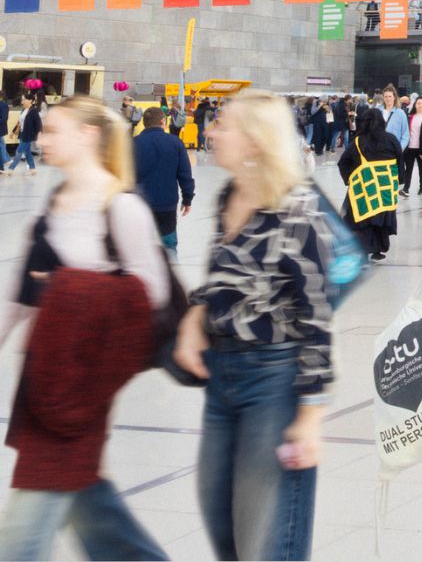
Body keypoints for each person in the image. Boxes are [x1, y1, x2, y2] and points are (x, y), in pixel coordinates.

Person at [0, 97, 170, 562]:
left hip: (81, 385)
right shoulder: (54, 203)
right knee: (88, 501)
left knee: (24, 533)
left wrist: (67, 287)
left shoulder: (120, 207)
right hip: (42, 378)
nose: (41, 139)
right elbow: (19, 291)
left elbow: (151, 293)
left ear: (88, 136)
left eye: (53, 131)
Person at [170, 92, 333, 562]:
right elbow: (223, 278)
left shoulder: (298, 209)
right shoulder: (229, 195)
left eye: (224, 125)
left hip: (275, 378)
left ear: (257, 142)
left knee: (266, 535)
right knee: (220, 515)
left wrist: (310, 417)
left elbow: (317, 318)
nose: (212, 132)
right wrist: (194, 318)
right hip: (223, 375)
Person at [339, 106, 400, 260]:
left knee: (363, 217)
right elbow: (400, 161)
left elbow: (343, 162)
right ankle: (379, 249)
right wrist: (399, 180)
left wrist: (349, 179)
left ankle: (364, 248)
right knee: (382, 217)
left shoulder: (359, 141)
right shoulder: (391, 139)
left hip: (365, 188)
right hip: (386, 188)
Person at [133, 106, 194, 251]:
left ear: (144, 122)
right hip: (166, 204)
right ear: (163, 121)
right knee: (169, 245)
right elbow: (185, 174)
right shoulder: (175, 142)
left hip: (138, 204)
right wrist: (187, 198)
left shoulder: (132, 143)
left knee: (139, 247)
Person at [401, 96, 422, 209]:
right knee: (408, 168)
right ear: (415, 104)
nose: (420, 105)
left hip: (421, 148)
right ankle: (406, 188)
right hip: (410, 146)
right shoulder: (410, 116)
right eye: (418, 103)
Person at [4, 94, 40, 174]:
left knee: (19, 151)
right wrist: (13, 132)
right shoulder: (24, 110)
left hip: (28, 135)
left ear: (30, 100)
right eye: (22, 99)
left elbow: (38, 124)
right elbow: (19, 122)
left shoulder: (33, 111)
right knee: (27, 152)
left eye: (24, 99)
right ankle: (32, 169)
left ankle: (11, 169)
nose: (22, 101)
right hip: (22, 133)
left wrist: (38, 134)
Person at [380, 84, 410, 162]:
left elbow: (405, 134)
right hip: (379, 150)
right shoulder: (378, 111)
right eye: (385, 96)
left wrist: (400, 149)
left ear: (394, 97)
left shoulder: (400, 113)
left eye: (390, 96)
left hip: (395, 151)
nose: (388, 99)